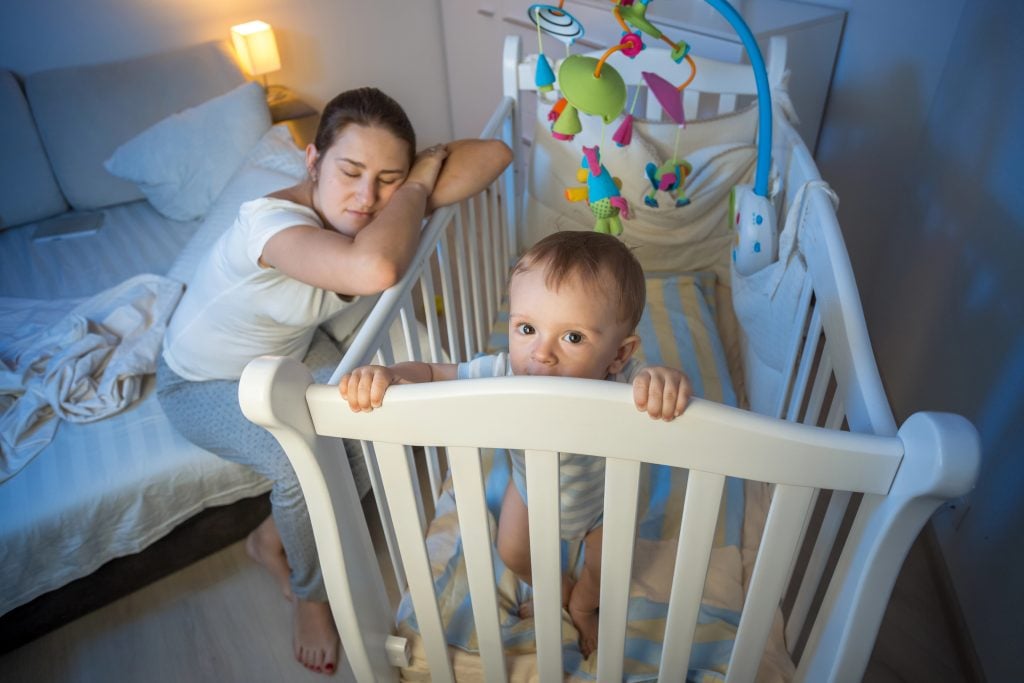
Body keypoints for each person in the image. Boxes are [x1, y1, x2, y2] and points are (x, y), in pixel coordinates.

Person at [156, 86, 512, 675]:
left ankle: (269, 536)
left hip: (287, 351)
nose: (366, 198)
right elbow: (375, 266)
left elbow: (496, 153)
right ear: (313, 162)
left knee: (367, 418)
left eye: (386, 179)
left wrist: (419, 170)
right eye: (349, 171)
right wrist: (418, 183)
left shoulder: (372, 203)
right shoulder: (269, 225)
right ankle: (311, 593)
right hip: (202, 380)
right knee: (302, 462)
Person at [339, 230, 692, 658]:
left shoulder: (624, 383)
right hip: (529, 492)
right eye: (527, 328)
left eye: (573, 337)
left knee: (608, 572)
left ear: (619, 354)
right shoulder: (505, 372)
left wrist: (665, 381)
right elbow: (434, 373)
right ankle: (557, 587)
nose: (541, 354)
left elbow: (656, 388)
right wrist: (393, 374)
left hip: (604, 503)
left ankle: (580, 605)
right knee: (512, 550)